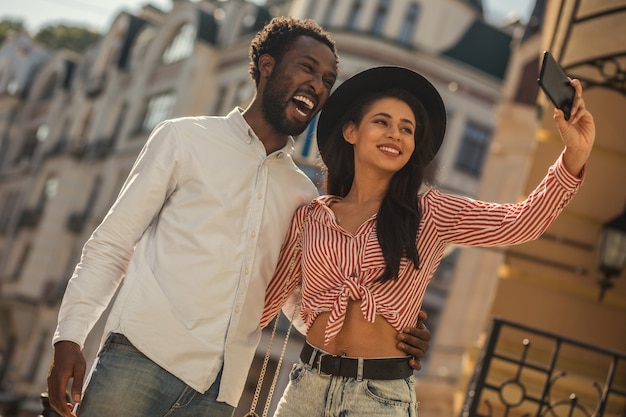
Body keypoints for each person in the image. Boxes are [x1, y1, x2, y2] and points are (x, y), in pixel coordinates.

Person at [46, 18, 431, 417]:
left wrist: (388, 330)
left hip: (218, 394)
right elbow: (112, 244)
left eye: (328, 78)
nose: (318, 85)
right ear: (267, 66)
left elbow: (300, 304)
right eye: (307, 68)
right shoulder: (184, 139)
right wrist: (70, 337)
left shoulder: (303, 195)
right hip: (138, 361)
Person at [261, 65, 595, 416]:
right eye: (382, 122)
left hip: (378, 399)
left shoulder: (430, 213)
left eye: (407, 129)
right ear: (350, 131)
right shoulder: (312, 216)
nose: (396, 134)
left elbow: (521, 222)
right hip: (304, 389)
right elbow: (267, 301)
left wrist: (573, 157)